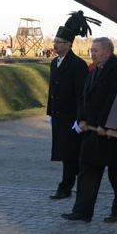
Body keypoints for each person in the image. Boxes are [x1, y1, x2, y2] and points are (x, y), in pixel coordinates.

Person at [61, 37, 117, 223]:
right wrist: (82, 119)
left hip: (112, 133)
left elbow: (115, 100)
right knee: (87, 171)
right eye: (91, 50)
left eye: (96, 50)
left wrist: (106, 123)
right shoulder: (93, 70)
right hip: (92, 132)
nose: (92, 53)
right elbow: (83, 97)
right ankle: (82, 211)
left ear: (108, 52)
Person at [47, 11, 94, 200]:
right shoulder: (54, 63)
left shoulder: (78, 64)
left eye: (58, 42)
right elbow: (52, 89)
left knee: (70, 155)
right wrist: (50, 111)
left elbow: (81, 94)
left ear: (68, 44)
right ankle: (77, 183)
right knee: (66, 154)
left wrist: (80, 117)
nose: (54, 45)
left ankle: (66, 187)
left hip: (71, 117)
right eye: (54, 41)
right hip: (58, 115)